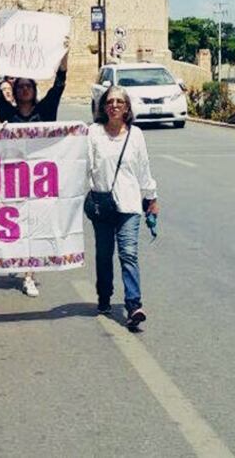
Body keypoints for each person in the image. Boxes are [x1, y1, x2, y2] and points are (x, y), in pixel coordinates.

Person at [0, 38, 70, 297]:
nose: (23, 90)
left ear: (33, 89)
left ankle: (29, 275)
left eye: (27, 86)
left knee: (35, 224)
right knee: (16, 223)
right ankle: (19, 260)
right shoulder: (7, 113)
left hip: (40, 177)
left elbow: (60, 83)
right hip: (13, 177)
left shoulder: (46, 110)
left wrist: (64, 53)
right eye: (19, 86)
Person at [87, 86, 158, 331]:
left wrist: (151, 198)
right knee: (104, 254)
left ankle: (133, 305)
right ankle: (104, 296)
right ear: (103, 107)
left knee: (128, 254)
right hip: (102, 204)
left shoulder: (136, 134)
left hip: (128, 203)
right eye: (110, 101)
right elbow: (84, 164)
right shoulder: (94, 133)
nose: (114, 105)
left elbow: (143, 168)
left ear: (127, 107)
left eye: (119, 101)